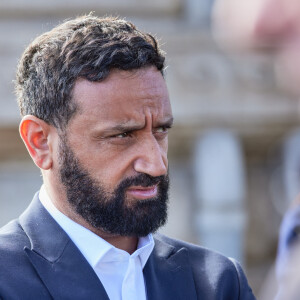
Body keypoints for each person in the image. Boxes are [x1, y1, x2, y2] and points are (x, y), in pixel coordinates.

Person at [0, 14, 256, 299]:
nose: (156, 165)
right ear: (40, 143)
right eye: (122, 136)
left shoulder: (217, 283)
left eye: (160, 131)